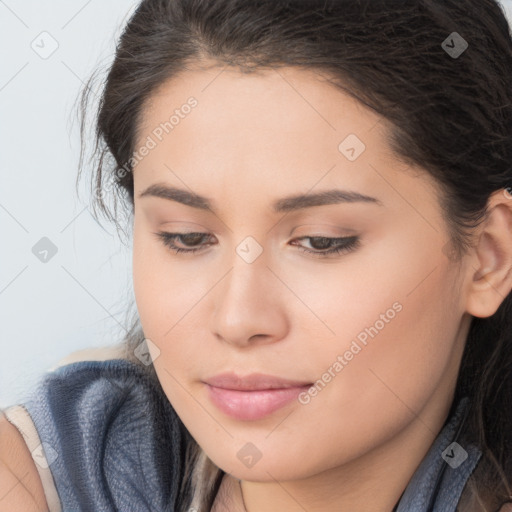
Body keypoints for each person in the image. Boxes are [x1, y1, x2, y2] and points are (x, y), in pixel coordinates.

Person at [2, 0, 512, 510]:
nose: (238, 319)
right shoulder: (41, 473)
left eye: (320, 241)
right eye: (187, 237)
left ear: (489, 257)